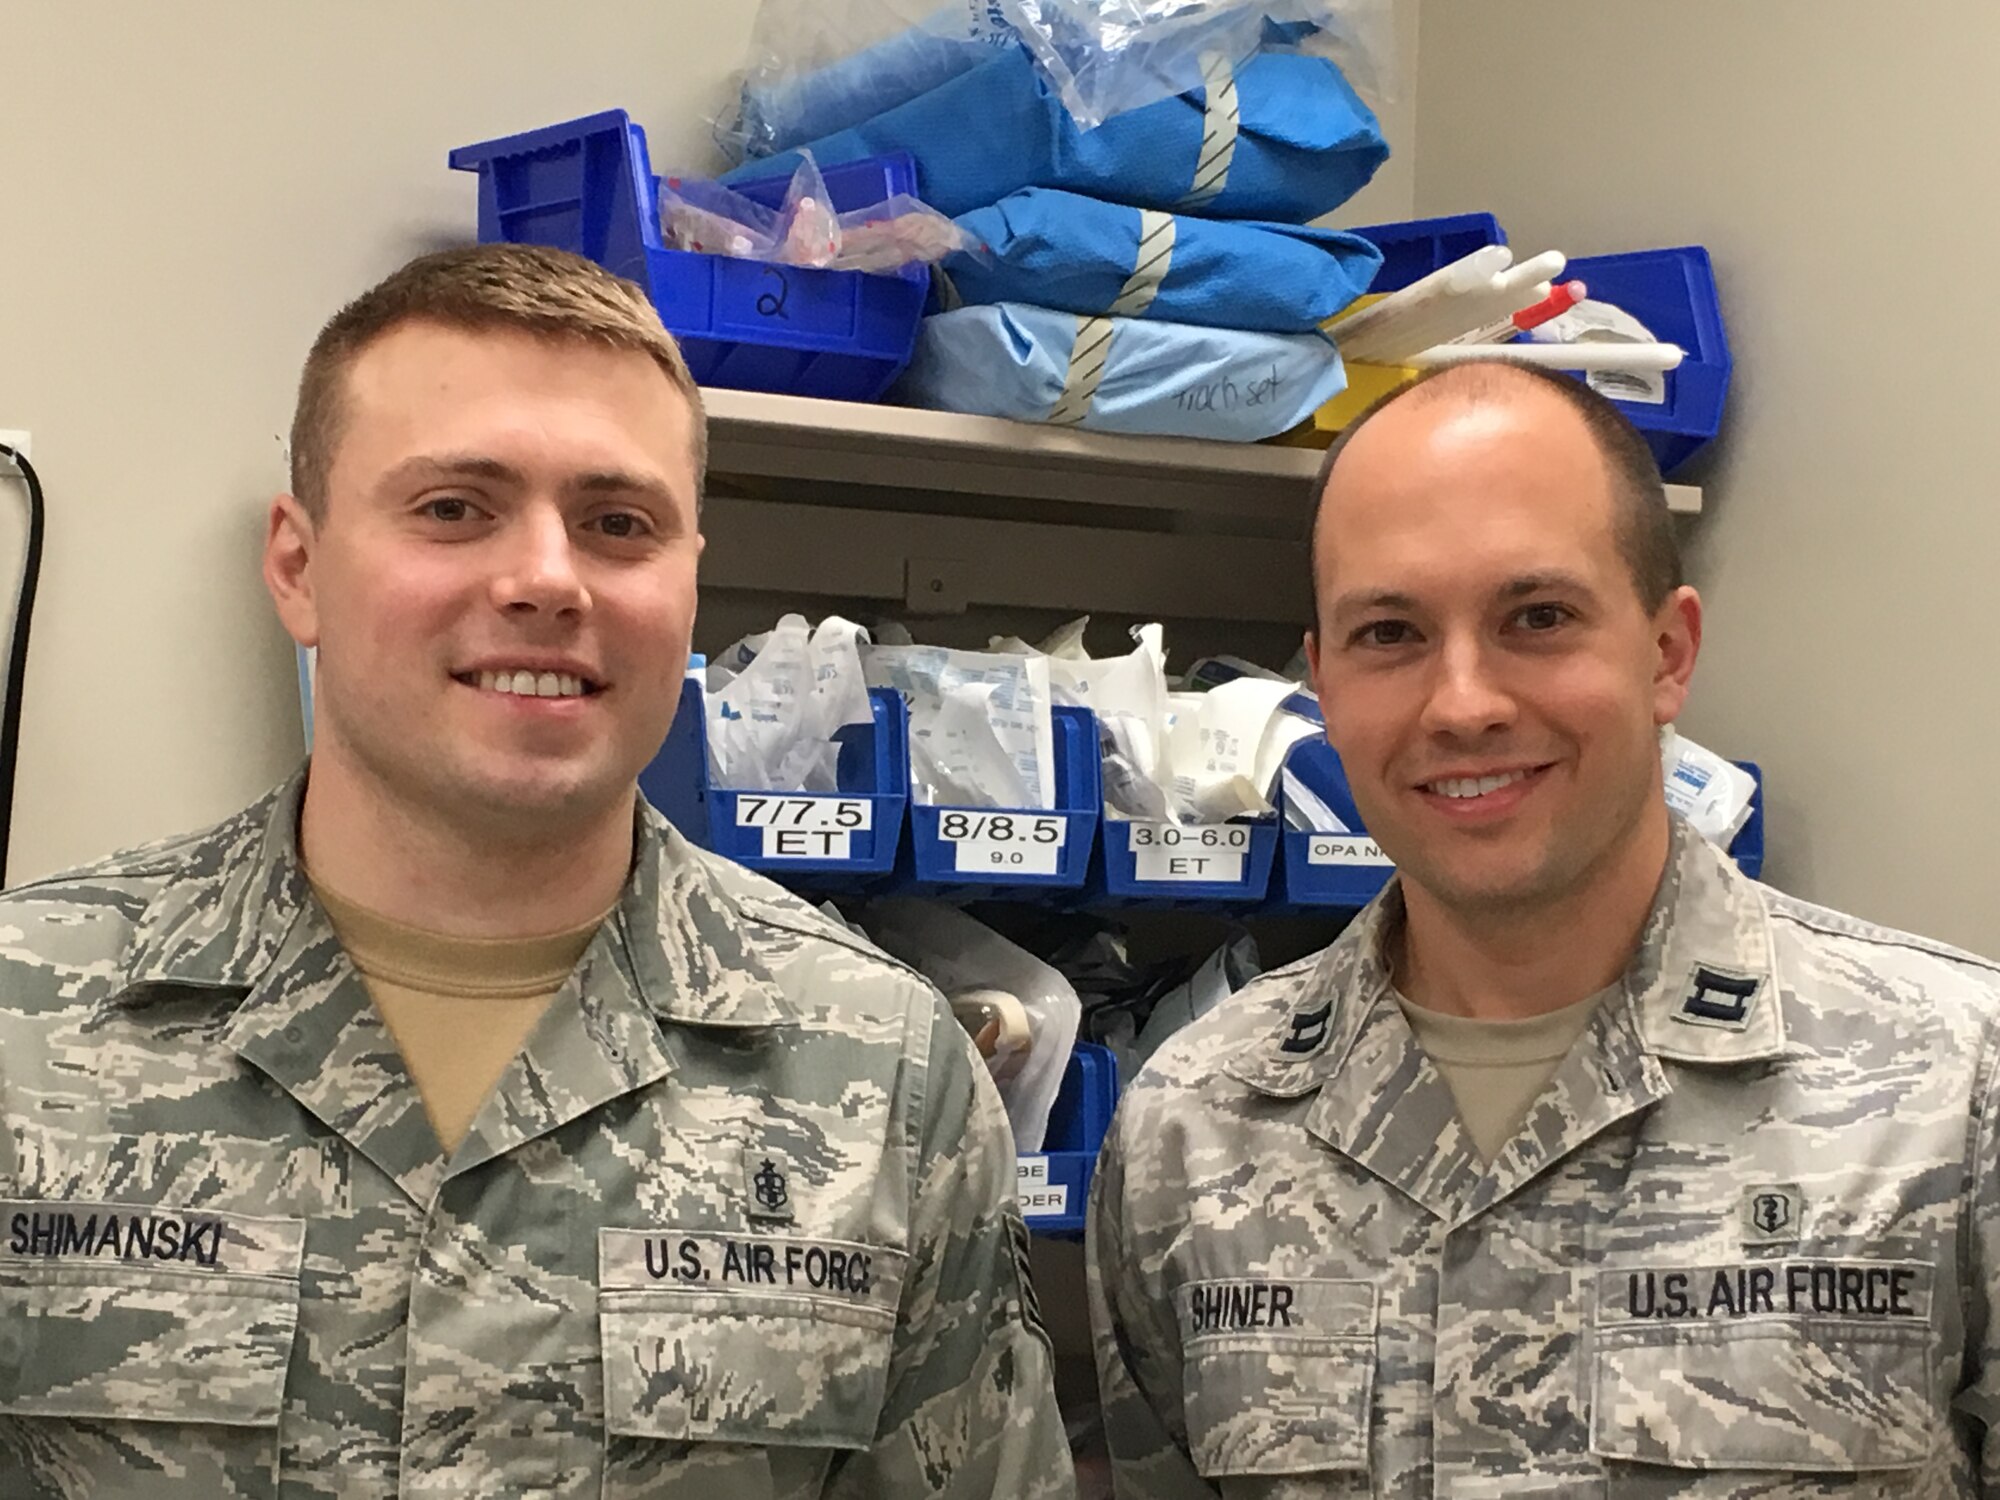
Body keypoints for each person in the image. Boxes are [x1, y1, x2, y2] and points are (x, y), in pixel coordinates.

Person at [0, 243, 1071, 1500]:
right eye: (454, 507)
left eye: (618, 524)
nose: (546, 580)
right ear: (297, 567)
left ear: (687, 579)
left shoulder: (882, 1069)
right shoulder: (32, 1019)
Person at [1087, 360, 2000, 1496]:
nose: (1462, 701)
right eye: (1389, 633)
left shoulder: (1950, 1090)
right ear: (1320, 682)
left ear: (1666, 653)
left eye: (1536, 617)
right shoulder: (1195, 1126)